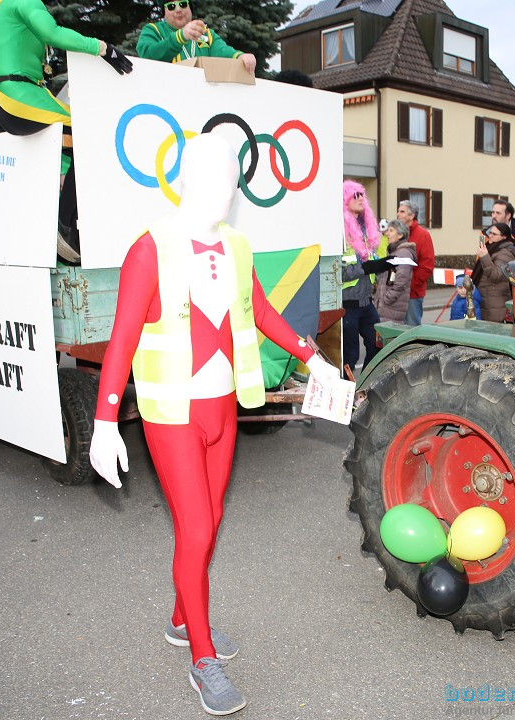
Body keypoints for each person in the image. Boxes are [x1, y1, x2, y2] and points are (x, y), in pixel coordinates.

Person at [89, 133, 336, 717]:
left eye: (232, 180)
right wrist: (104, 422)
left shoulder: (237, 247)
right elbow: (121, 340)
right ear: (187, 180)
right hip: (171, 412)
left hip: (223, 408)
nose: (228, 191)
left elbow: (263, 311)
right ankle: (202, 658)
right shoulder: (150, 248)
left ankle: (182, 618)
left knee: (212, 519)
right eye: (218, 179)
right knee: (196, 527)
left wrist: (311, 355)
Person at [0, 0, 132, 263]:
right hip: (19, 94)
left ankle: (63, 227)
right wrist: (102, 48)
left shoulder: (2, 7)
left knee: (80, 142)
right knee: (95, 136)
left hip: (16, 95)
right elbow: (52, 33)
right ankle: (67, 228)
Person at [341, 181, 392, 372]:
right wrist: (369, 267)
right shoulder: (340, 232)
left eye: (362, 194)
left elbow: (370, 263)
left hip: (366, 302)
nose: (361, 198)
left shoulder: (364, 230)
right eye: (356, 195)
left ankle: (363, 387)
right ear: (345, 200)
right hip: (347, 305)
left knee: (377, 345)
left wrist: (384, 263)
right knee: (350, 355)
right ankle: (349, 394)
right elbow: (339, 272)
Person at [137, 0, 256, 74]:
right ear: (165, 12)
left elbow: (222, 50)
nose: (178, 10)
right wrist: (180, 37)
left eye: (183, 4)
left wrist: (240, 56)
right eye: (172, 6)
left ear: (190, 8)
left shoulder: (205, 32)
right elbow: (147, 54)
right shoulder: (153, 30)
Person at [472, 222, 515, 322]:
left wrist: (484, 257)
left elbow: (496, 275)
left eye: (494, 234)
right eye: (490, 232)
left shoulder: (506, 253)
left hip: (495, 306)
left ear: (504, 237)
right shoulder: (492, 248)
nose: (490, 236)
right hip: (487, 302)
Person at [397, 200, 434, 325]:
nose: (398, 214)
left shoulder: (423, 235)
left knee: (412, 329)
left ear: (411, 216)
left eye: (402, 211)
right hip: (396, 294)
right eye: (398, 211)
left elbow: (427, 266)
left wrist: (409, 285)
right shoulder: (396, 234)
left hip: (412, 294)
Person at [372, 219, 416, 322]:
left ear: (400, 235)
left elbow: (401, 282)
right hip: (387, 307)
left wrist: (386, 298)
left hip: (392, 307)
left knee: (390, 336)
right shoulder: (394, 252)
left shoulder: (404, 254)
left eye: (391, 231)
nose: (387, 234)